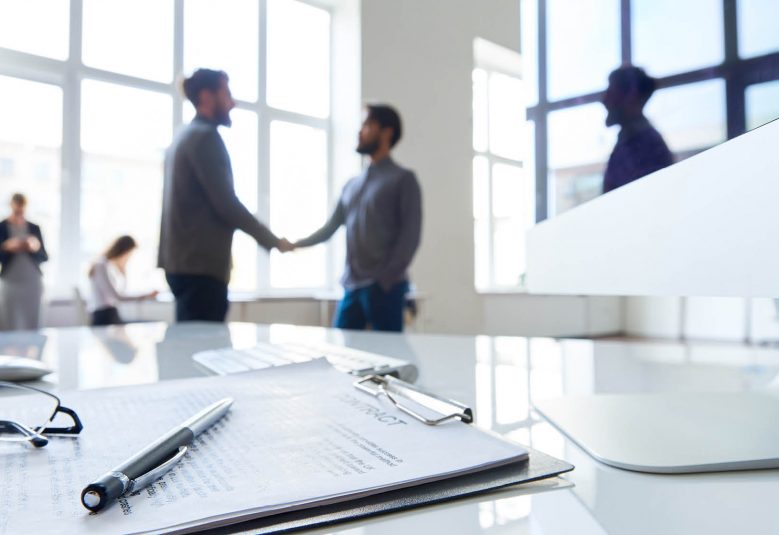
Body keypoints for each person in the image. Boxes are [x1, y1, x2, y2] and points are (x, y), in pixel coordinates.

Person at [158, 69, 292, 322]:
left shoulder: (182, 137)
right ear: (207, 96)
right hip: (201, 271)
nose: (233, 103)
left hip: (181, 265)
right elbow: (227, 205)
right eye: (227, 94)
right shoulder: (205, 138)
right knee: (202, 349)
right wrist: (273, 241)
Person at [291, 104, 422, 332]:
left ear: (386, 132)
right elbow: (330, 228)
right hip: (352, 286)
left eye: (367, 125)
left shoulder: (403, 180)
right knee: (341, 352)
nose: (360, 131)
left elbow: (410, 238)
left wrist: (386, 280)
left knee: (390, 359)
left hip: (384, 287)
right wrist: (295, 244)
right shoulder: (351, 185)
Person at [602, 65, 674, 193]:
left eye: (611, 91)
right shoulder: (628, 142)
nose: (605, 99)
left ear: (631, 96)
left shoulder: (648, 149)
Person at [0, 193, 48, 331]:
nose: (19, 213)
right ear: (11, 206)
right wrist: (6, 247)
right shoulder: (2, 227)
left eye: (22, 210)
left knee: (33, 322)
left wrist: (35, 247)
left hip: (32, 281)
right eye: (17, 210)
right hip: (10, 281)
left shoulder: (34, 228)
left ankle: (33, 351)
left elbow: (44, 257)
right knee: (8, 321)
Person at [88, 235, 158, 326]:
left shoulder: (108, 266)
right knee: (149, 325)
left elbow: (120, 293)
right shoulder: (101, 265)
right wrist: (145, 296)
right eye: (129, 254)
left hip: (110, 313)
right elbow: (117, 297)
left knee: (149, 324)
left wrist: (124, 273)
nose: (128, 258)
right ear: (123, 251)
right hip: (104, 316)